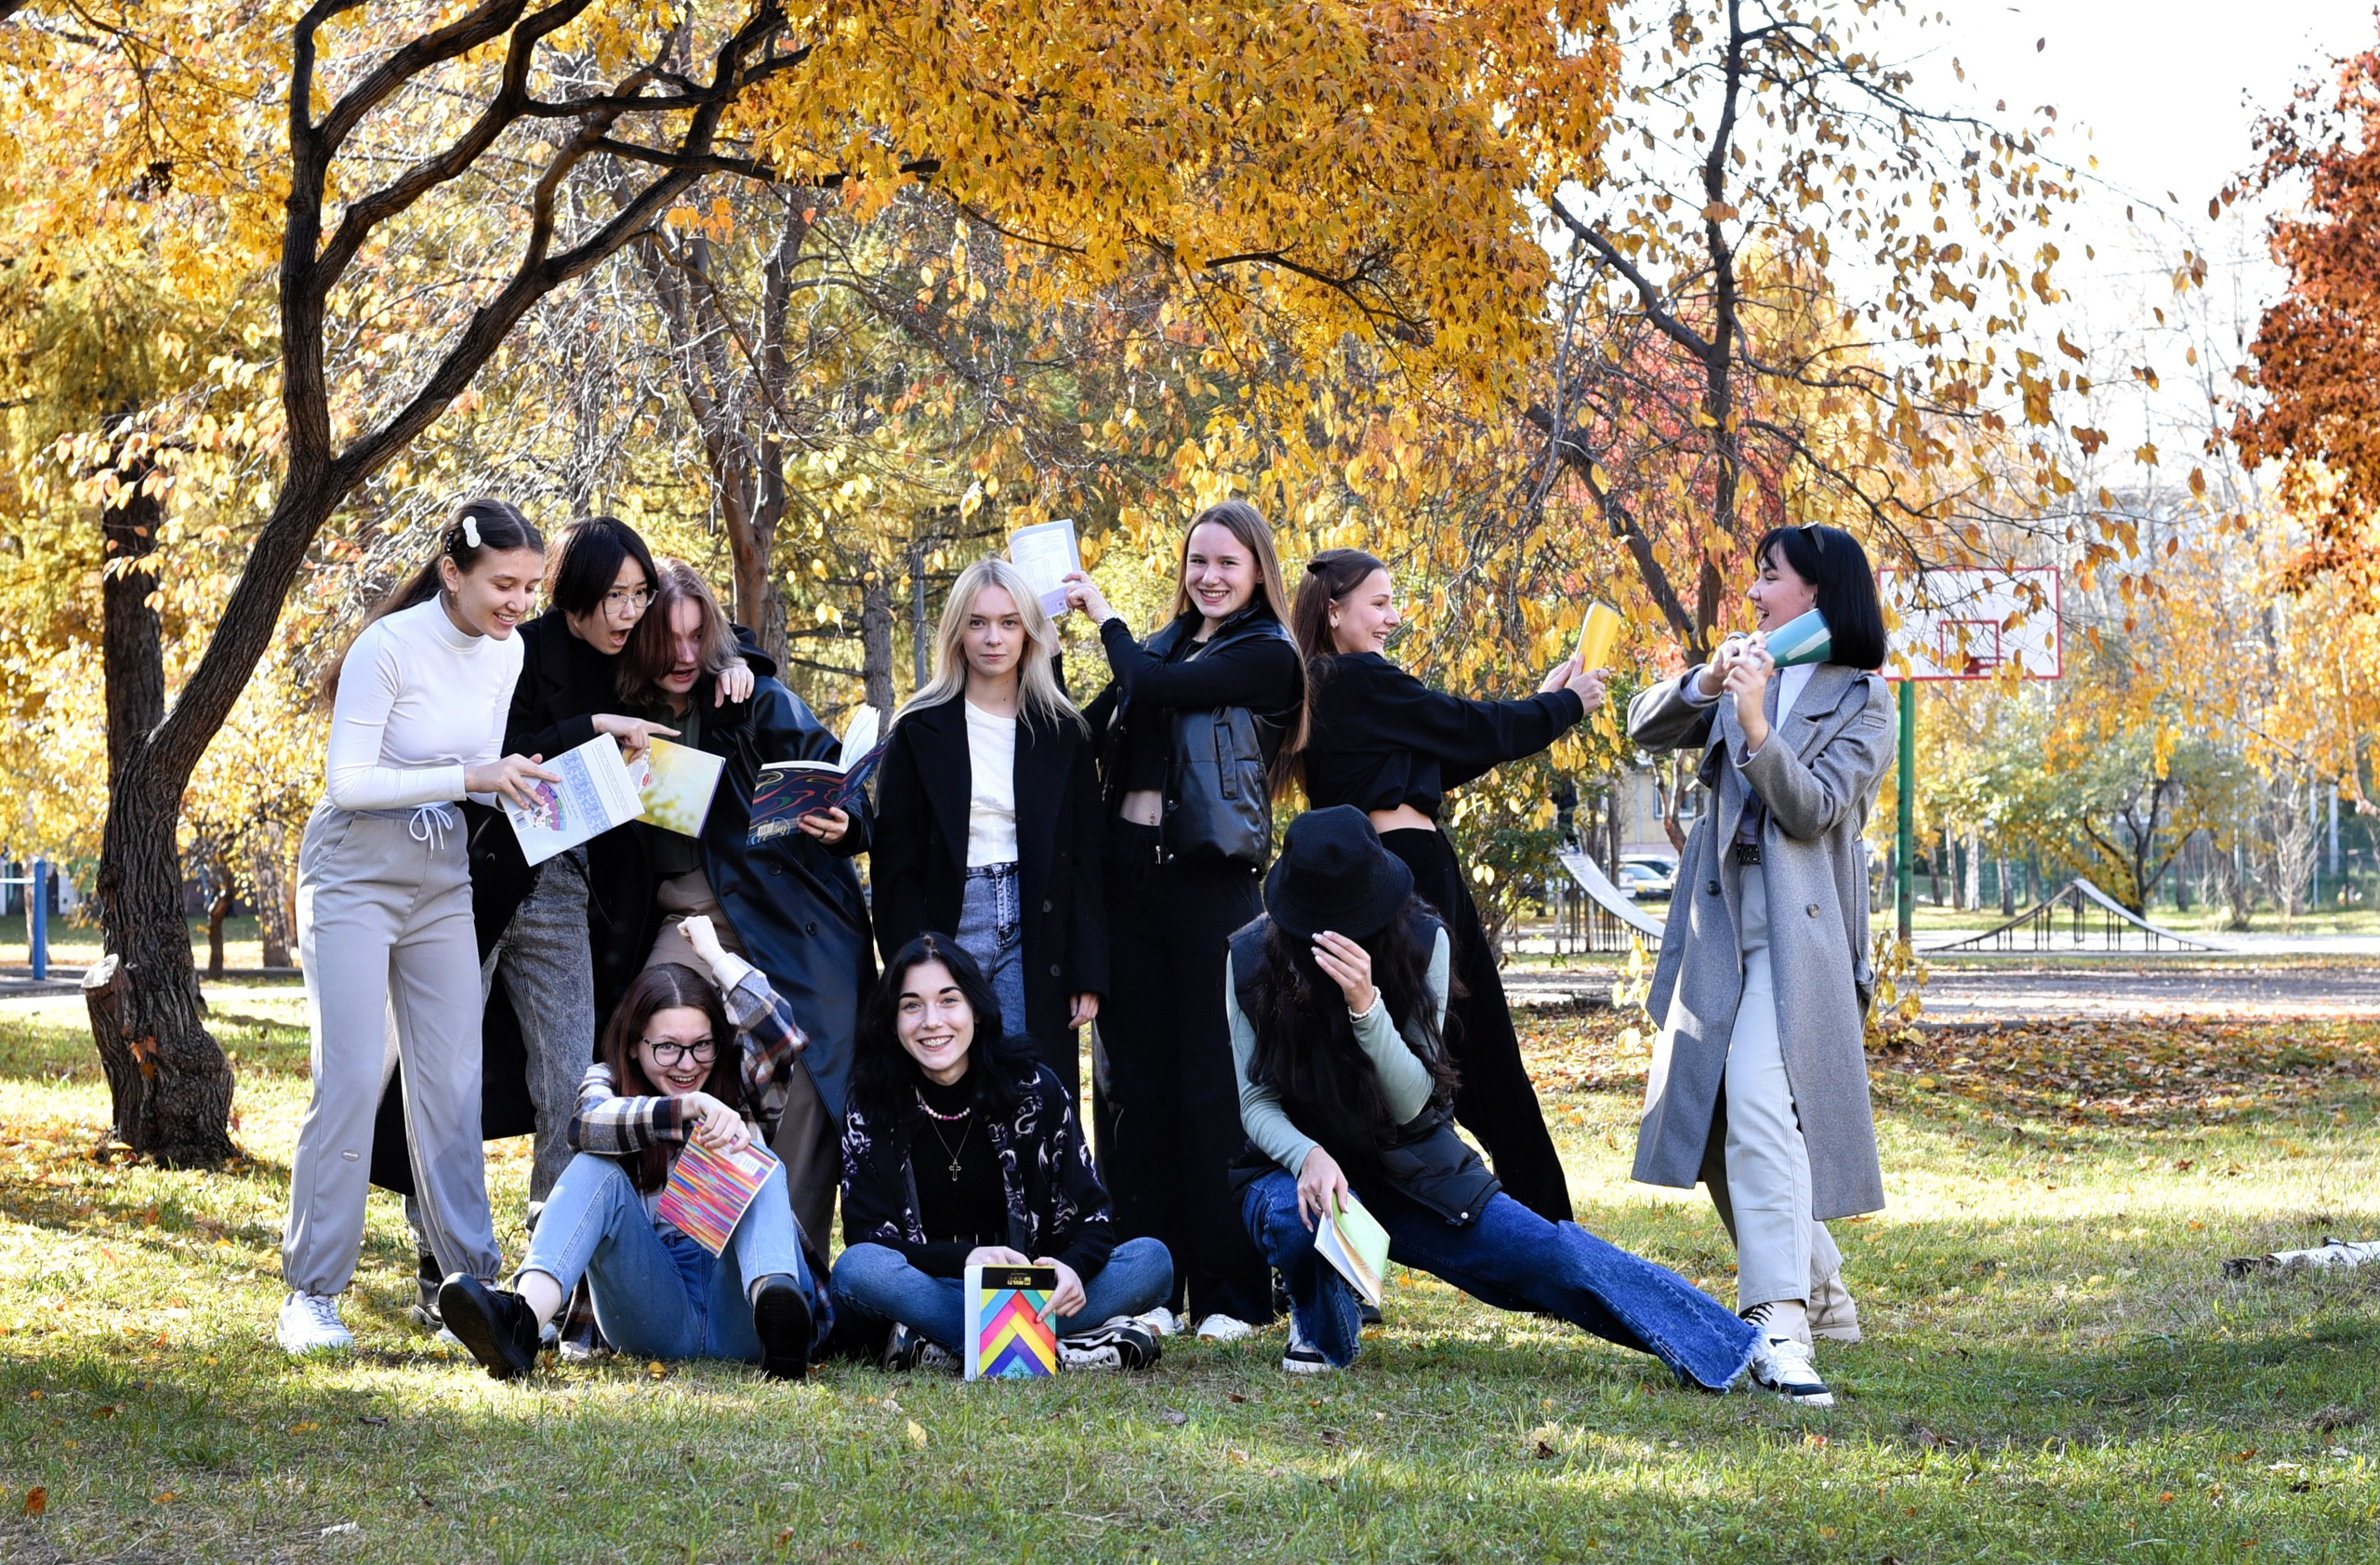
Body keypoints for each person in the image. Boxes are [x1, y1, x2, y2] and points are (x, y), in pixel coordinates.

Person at [1231, 807, 1773, 1395]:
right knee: (1293, 1216)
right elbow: (1255, 1101)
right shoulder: (1247, 960)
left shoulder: (1422, 941)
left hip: (1412, 1169)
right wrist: (1307, 1155)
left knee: (1550, 1254)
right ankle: (1324, 1323)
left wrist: (1367, 1008)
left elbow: (1414, 1101)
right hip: (1299, 1175)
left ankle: (1739, 1347)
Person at [1625, 523, 1895, 1406]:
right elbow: (1642, 727)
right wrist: (1708, 682)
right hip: (1718, 923)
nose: (1752, 595)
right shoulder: (1746, 668)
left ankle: (1780, 1318)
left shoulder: (1864, 699)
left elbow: (1812, 810)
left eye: (1768, 579)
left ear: (1816, 592)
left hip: (1800, 933)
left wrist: (1751, 724)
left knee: (1755, 1106)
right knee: (1709, 1123)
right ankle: (1822, 1282)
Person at [278, 498, 554, 1356]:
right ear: (453, 573)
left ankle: (468, 1289)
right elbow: (351, 781)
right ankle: (311, 1294)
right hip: (354, 868)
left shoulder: (507, 652)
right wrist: (471, 772)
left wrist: (507, 779)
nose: (517, 602)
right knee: (356, 1074)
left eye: (529, 586)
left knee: (452, 1084)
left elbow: (471, 770)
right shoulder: (386, 648)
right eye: (503, 584)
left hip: (442, 873)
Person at [1291, 548, 1606, 1226]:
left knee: (1405, 1057)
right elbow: (1467, 724)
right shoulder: (1356, 678)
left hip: (1386, 874)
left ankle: (1528, 1222)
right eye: (1379, 603)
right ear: (1336, 609)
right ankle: (1548, 1229)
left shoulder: (1328, 687)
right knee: (1480, 1053)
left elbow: (1451, 750)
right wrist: (1565, 706)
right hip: (1408, 871)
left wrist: (1547, 701)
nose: (1392, 618)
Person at [1061, 499, 1305, 1341]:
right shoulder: (1157, 648)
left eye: (1226, 563)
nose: (1208, 576)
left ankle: (1232, 1295)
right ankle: (1148, 1285)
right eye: (1197, 561)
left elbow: (1156, 687)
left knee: (1214, 1092)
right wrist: (1046, 649)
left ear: (1257, 572)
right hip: (1128, 885)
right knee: (1134, 1093)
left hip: (1212, 890)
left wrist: (1107, 616)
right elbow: (1080, 735)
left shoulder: (1265, 655)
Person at [594, 560, 874, 1251]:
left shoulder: (751, 695)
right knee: (658, 1037)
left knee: (815, 1065)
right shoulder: (610, 699)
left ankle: (793, 1259)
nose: (685, 656)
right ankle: (674, 1242)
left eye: (699, 638)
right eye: (669, 640)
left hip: (784, 913)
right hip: (678, 916)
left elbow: (837, 775)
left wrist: (847, 821)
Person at [436, 920, 830, 1380]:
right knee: (592, 1168)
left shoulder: (739, 1088)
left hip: (742, 1305)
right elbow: (586, 1125)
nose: (688, 1064)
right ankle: (520, 1323)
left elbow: (782, 1036)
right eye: (667, 1048)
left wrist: (714, 955)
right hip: (653, 1309)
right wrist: (683, 1108)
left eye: (702, 1045)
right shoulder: (606, 1084)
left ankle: (780, 1320)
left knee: (758, 1158)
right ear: (632, 1049)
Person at [831, 935, 1170, 1373]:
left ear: (975, 1006)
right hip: (926, 1290)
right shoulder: (872, 1101)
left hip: (1032, 1290)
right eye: (911, 1005)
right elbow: (869, 1241)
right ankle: (1048, 1347)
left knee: (1152, 1259)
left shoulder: (1035, 1089)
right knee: (857, 1269)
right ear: (893, 1019)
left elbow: (1094, 1218)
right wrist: (966, 1259)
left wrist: (1072, 1270)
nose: (932, 1021)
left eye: (948, 1001)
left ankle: (945, 1349)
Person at [869, 558, 1106, 1089]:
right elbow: (894, 857)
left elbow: (1086, 853)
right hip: (950, 915)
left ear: (1029, 632)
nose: (993, 638)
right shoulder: (917, 726)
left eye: (1008, 622)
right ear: (957, 633)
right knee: (948, 1079)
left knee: (1032, 1084)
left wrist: (1087, 967)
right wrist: (909, 958)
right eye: (977, 622)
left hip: (1036, 916)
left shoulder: (1063, 730)